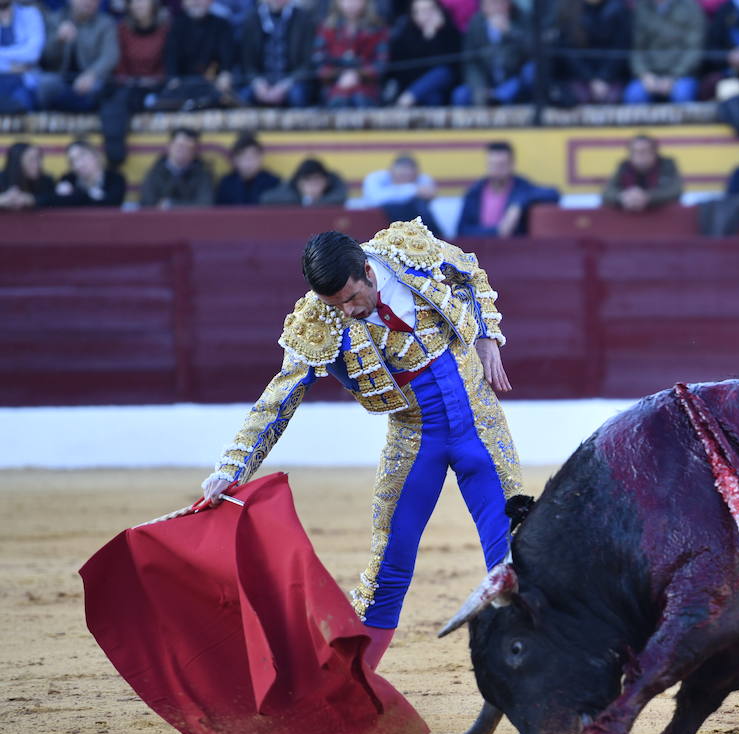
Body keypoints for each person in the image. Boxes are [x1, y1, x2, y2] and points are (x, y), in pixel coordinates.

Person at [200, 219, 523, 669]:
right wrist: (231, 469)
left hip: (482, 426)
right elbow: (278, 400)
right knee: (387, 567)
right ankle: (350, 686)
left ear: (369, 274)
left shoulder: (409, 250)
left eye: (352, 298)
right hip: (414, 440)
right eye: (336, 303)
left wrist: (488, 337)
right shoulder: (319, 319)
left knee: (515, 558)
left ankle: (545, 685)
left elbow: (470, 273)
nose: (347, 311)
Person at [99, 0, 167, 164]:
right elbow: (119, 64)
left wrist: (155, 80)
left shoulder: (166, 30)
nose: (139, 5)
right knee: (113, 102)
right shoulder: (122, 30)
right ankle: (115, 153)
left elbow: (169, 62)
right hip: (129, 87)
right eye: (134, 2)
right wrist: (131, 81)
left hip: (159, 87)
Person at [457, 140, 560, 237]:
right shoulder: (474, 192)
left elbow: (553, 194)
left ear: (512, 165)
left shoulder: (521, 187)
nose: (497, 170)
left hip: (514, 251)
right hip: (479, 251)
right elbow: (462, 231)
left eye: (501, 165)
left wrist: (517, 204)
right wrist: (497, 232)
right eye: (493, 165)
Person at [35, 0, 117, 112]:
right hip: (61, 77)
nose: (90, 2)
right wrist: (58, 40)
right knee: (45, 83)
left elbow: (110, 56)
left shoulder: (105, 23)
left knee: (98, 88)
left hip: (90, 78)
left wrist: (92, 75)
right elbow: (44, 57)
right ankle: (44, 121)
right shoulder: (54, 19)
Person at [158, 0, 236, 110]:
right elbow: (171, 58)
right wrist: (173, 79)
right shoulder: (176, 26)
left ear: (210, 2)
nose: (196, 2)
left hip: (212, 86)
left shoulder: (221, 25)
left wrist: (225, 74)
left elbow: (227, 59)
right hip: (183, 86)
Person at [239, 0, 319, 108]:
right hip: (260, 83)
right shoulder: (251, 19)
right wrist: (258, 83)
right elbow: (246, 62)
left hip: (292, 82)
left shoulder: (303, 19)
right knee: (242, 97)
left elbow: (307, 63)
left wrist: (284, 86)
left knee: (297, 96)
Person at [552, 0, 632, 105]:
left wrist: (604, 78)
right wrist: (590, 79)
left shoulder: (618, 8)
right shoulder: (570, 8)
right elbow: (570, 53)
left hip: (612, 78)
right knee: (575, 98)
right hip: (579, 77)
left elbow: (621, 48)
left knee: (617, 98)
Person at [623, 0, 704, 103]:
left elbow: (694, 50)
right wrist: (644, 74)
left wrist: (673, 77)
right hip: (649, 75)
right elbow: (636, 49)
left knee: (681, 95)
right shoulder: (642, 7)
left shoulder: (690, 7)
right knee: (634, 95)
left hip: (681, 76)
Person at [453, 0, 532, 106]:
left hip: (513, 80)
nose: (498, 8)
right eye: (493, 3)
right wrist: (479, 87)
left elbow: (532, 51)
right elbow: (471, 63)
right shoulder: (476, 23)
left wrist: (510, 31)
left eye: (501, 3)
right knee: (460, 95)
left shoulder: (521, 18)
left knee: (512, 89)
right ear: (483, 7)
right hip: (485, 82)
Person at [314, 0, 389, 107]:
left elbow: (381, 65)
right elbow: (319, 64)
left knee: (360, 100)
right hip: (334, 89)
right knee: (339, 101)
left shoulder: (378, 30)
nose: (351, 3)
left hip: (368, 90)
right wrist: (340, 76)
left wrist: (357, 75)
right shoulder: (327, 30)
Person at [387, 0, 461, 106]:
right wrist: (426, 39)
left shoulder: (449, 32)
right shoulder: (404, 36)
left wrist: (435, 36)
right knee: (433, 97)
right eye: (421, 11)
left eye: (431, 9)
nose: (427, 15)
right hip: (413, 86)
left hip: (444, 88)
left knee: (442, 73)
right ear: (414, 15)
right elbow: (409, 69)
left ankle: (406, 100)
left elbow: (450, 67)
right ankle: (409, 97)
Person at [359, 152, 440, 233]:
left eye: (409, 175)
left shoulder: (423, 179)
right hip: (380, 226)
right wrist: (412, 189)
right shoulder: (375, 178)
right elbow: (374, 200)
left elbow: (430, 194)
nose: (405, 178)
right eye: (402, 174)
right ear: (391, 170)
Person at [600, 133, 683, 211]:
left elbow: (675, 190)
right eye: (635, 151)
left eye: (644, 151)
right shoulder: (624, 167)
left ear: (654, 152)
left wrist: (647, 197)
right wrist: (622, 197)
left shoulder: (667, 166)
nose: (639, 156)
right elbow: (607, 192)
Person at [138, 127, 215, 209]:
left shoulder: (203, 174)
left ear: (195, 151)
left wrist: (170, 205)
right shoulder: (155, 172)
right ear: (169, 146)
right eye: (179, 146)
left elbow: (205, 205)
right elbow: (147, 203)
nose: (182, 151)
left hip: (192, 221)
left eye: (188, 147)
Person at [50, 136, 125, 206]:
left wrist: (76, 194)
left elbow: (112, 203)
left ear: (96, 155)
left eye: (82, 156)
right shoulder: (67, 179)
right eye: (72, 161)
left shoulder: (115, 179)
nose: (78, 164)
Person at [0, 0, 45, 114]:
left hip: (24, 82)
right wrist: (10, 68)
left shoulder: (31, 14)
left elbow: (33, 53)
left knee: (22, 103)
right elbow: (25, 55)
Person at [214, 132, 282, 205]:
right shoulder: (226, 185)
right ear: (235, 159)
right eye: (243, 157)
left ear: (260, 158)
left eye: (252, 157)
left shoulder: (273, 182)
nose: (248, 162)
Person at [261, 156, 349, 205]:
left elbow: (341, 196)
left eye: (317, 181)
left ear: (326, 181)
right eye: (308, 181)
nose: (313, 186)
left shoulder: (335, 188)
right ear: (300, 183)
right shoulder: (291, 188)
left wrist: (314, 203)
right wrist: (302, 200)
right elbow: (267, 199)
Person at [0, 142, 55, 210]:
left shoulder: (46, 181)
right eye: (32, 160)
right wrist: (3, 199)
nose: (39, 165)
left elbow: (56, 200)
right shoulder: (2, 179)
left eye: (39, 158)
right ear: (17, 163)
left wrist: (31, 199)